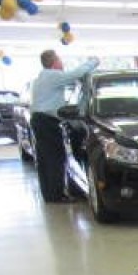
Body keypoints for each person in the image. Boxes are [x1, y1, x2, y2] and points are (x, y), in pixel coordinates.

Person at [30, 49, 99, 202]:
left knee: (45, 158)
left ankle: (49, 194)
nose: (62, 63)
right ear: (54, 62)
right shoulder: (52, 76)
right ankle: (57, 195)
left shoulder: (41, 78)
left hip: (39, 120)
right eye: (60, 60)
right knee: (55, 157)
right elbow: (76, 73)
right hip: (47, 121)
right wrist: (93, 61)